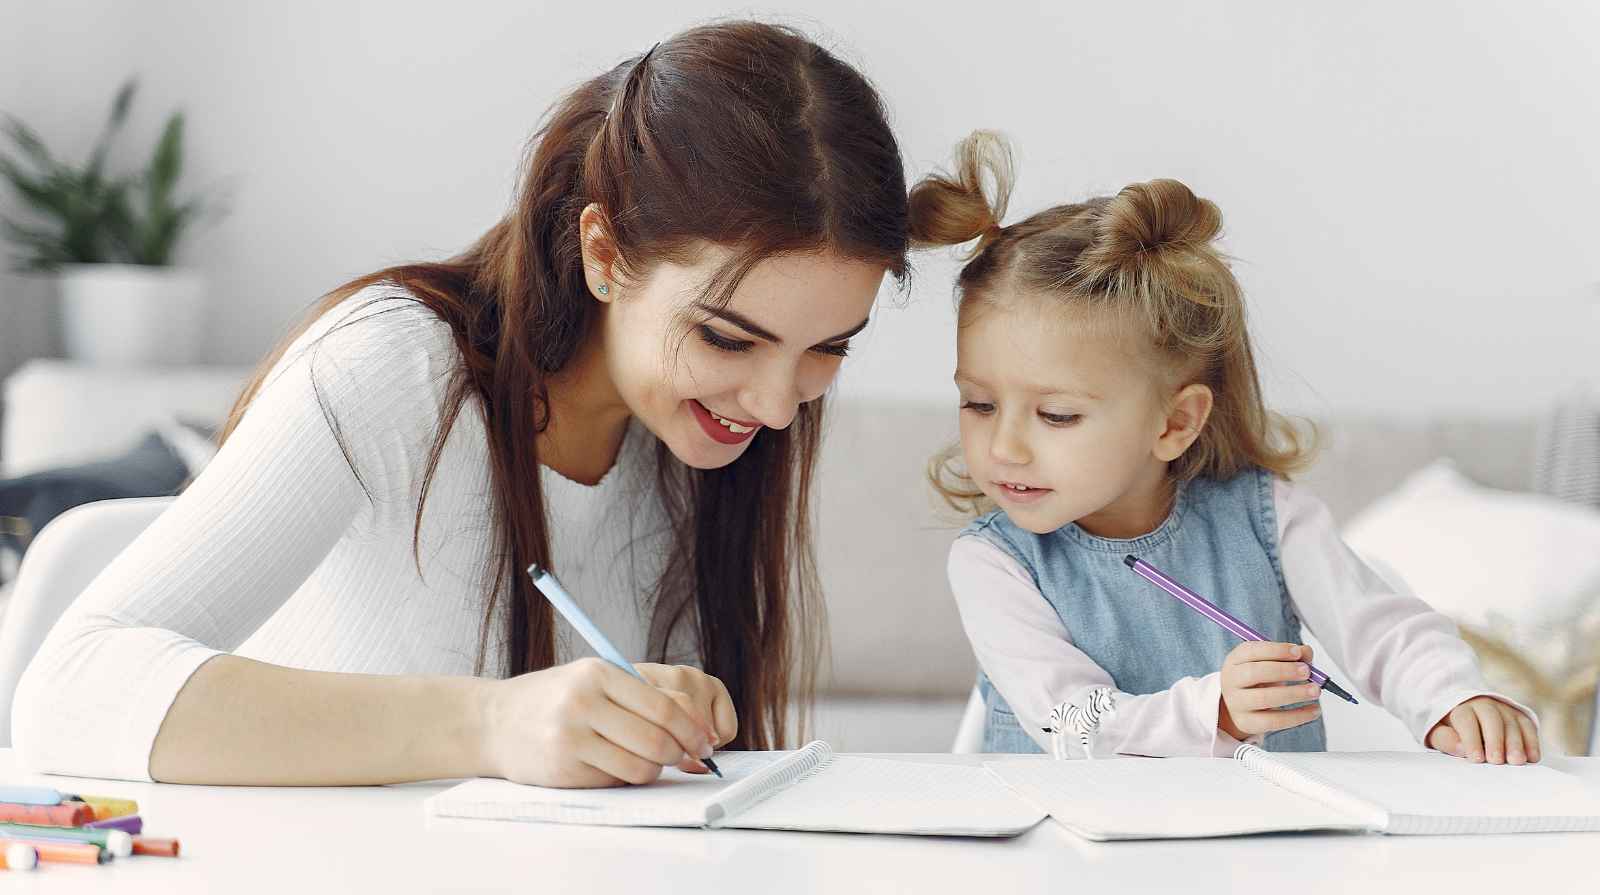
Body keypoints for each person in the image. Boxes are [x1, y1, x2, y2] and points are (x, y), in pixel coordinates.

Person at [14, 21, 922, 788]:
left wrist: (656, 725)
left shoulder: (694, 437)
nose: (773, 404)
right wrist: (488, 725)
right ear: (604, 253)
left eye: (829, 348)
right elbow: (72, 687)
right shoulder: (394, 366)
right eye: (728, 338)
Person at [913, 131, 1540, 763]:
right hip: (1065, 848)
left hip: (1265, 847)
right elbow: (1069, 717)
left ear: (1175, 423)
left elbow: (1379, 627)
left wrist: (1453, 697)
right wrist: (1214, 711)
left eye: (1056, 414)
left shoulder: (1269, 519)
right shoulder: (994, 563)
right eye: (980, 404)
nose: (1006, 446)